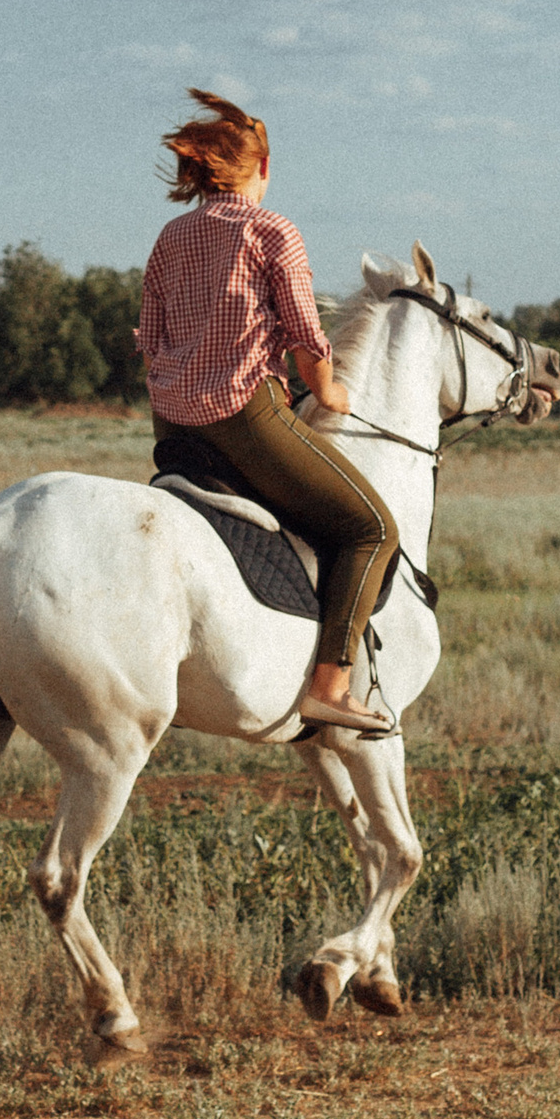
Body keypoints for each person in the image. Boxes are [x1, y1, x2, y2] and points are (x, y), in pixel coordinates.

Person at [136, 91, 399, 736]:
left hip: (172, 429)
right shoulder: (271, 230)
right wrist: (330, 394)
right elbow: (308, 340)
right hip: (242, 417)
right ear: (264, 167)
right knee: (371, 528)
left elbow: (149, 337)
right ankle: (331, 685)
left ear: (203, 172)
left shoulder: (171, 237)